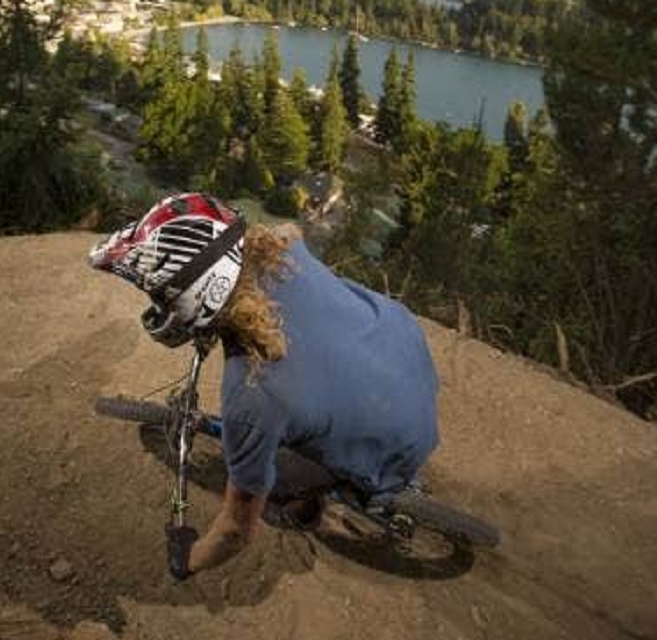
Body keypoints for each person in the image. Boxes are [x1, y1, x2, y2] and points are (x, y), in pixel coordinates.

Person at [88, 192, 439, 579]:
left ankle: (306, 506)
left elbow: (235, 532)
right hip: (407, 351)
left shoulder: (251, 399)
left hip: (400, 441)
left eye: (160, 295)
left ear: (195, 297)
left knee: (276, 482)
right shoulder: (285, 249)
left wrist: (186, 562)